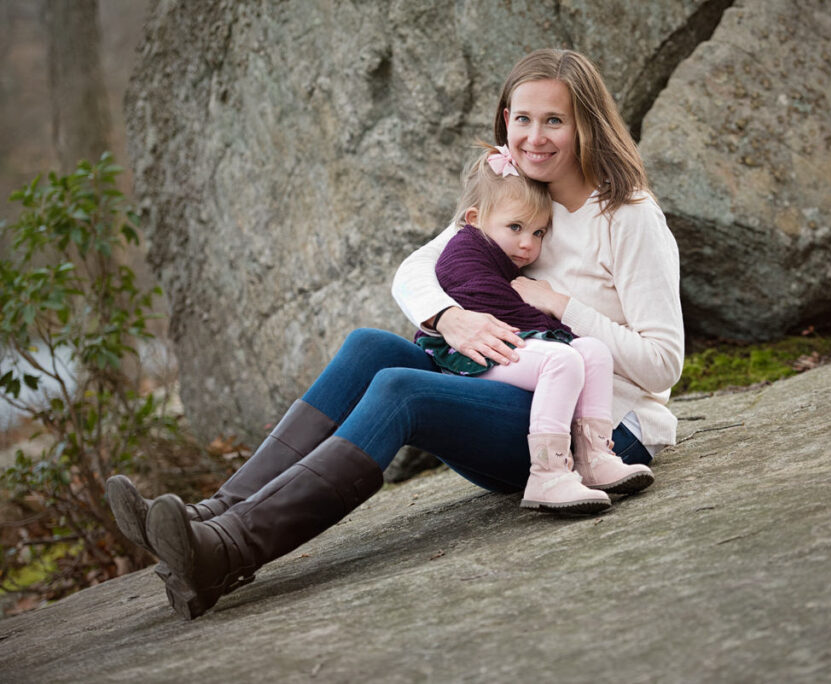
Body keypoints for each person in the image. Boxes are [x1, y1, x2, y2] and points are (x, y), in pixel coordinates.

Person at [105, 48, 684, 620]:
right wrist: (447, 318)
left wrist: (561, 303)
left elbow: (663, 365)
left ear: (587, 123)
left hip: (599, 432)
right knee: (370, 347)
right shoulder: (517, 198)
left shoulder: (628, 217)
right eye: (522, 118)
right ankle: (212, 517)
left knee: (402, 389)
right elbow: (416, 270)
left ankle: (228, 550)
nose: (534, 137)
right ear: (505, 120)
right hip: (515, 395)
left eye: (554, 120)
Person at [418, 142, 654, 514]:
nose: (528, 245)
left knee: (593, 351)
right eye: (516, 227)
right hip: (473, 352)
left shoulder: (499, 251)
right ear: (475, 218)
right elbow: (497, 307)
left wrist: (567, 331)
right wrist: (557, 330)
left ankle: (595, 456)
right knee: (563, 360)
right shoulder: (464, 252)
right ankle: (548, 473)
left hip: (508, 341)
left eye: (539, 233)